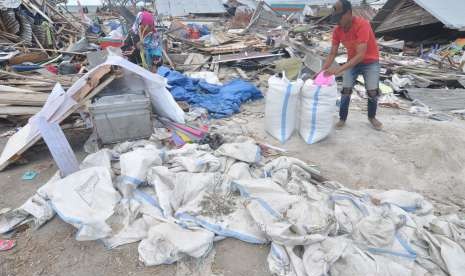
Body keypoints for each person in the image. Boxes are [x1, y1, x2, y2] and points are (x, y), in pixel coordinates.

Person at [322, 0, 383, 130]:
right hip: (352, 62)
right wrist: (323, 70)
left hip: (370, 62)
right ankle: (342, 118)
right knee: (346, 91)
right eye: (336, 18)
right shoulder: (337, 30)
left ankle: (372, 117)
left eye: (340, 18)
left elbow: (361, 55)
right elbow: (332, 53)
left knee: (372, 91)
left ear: (349, 13)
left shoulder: (362, 24)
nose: (338, 22)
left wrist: (338, 70)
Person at [131, 8, 162, 72]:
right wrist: (137, 46)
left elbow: (157, 51)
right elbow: (128, 54)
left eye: (150, 26)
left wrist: (155, 65)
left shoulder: (154, 36)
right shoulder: (132, 36)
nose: (148, 28)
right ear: (139, 23)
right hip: (137, 71)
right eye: (145, 25)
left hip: (150, 71)